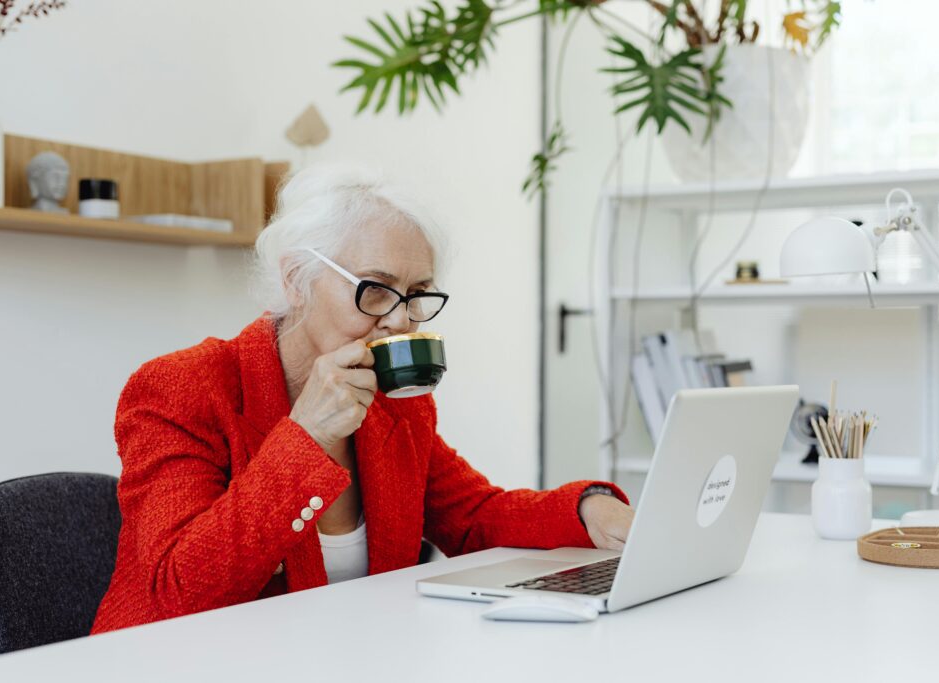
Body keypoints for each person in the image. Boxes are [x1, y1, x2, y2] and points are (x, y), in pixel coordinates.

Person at [91, 165, 634, 633]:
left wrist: (587, 508)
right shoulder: (181, 388)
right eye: (375, 287)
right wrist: (307, 439)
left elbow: (470, 518)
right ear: (297, 280)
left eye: (418, 294)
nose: (400, 319)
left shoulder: (393, 399)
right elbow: (179, 593)